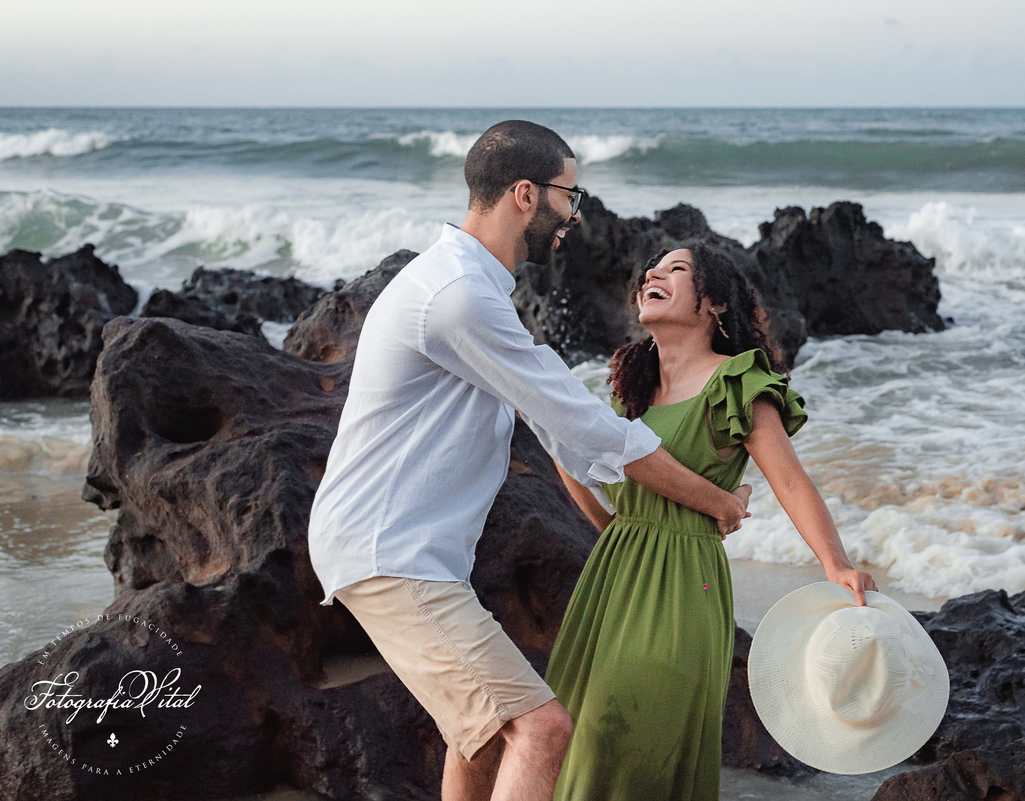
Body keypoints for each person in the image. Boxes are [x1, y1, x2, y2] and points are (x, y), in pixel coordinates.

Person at [306, 121, 753, 801]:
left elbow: (558, 431)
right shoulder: (459, 296)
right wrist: (714, 500)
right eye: (569, 197)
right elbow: (591, 428)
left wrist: (616, 521)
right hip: (389, 552)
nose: (575, 216)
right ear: (525, 195)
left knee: (479, 736)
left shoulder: (469, 289)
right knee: (542, 730)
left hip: (400, 551)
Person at [545, 241, 877, 800]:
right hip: (611, 579)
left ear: (714, 304)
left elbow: (791, 481)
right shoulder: (636, 393)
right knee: (582, 736)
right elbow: (598, 484)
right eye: (652, 269)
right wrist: (569, 458)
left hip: (682, 587)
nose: (654, 272)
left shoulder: (737, 382)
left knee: (631, 739)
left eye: (677, 270)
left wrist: (835, 564)